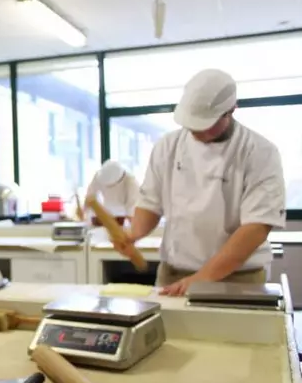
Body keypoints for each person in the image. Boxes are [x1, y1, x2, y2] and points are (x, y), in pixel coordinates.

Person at [113, 69, 285, 296]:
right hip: (174, 272)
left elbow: (256, 228)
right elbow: (150, 203)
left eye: (207, 124)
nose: (197, 131)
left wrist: (202, 278)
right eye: (192, 124)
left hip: (239, 277)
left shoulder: (260, 152)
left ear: (231, 110)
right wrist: (133, 234)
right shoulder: (168, 146)